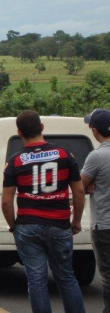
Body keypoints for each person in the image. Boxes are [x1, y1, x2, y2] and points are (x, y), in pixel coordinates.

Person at [1, 110, 86, 313]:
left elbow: (6, 201)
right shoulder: (65, 155)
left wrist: (13, 225)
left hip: (28, 226)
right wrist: (76, 220)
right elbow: (79, 190)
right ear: (42, 127)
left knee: (36, 281)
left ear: (19, 132)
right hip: (59, 224)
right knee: (66, 277)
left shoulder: (15, 161)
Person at [81, 108, 110, 313]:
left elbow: (81, 186)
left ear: (94, 130)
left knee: (108, 275)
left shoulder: (96, 157)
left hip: (104, 225)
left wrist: (91, 184)